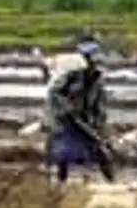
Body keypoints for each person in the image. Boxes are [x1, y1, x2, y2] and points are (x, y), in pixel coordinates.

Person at [46, 38, 114, 183]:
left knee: (101, 150)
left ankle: (112, 182)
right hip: (65, 120)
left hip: (85, 120)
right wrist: (68, 110)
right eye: (91, 62)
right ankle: (60, 184)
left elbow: (99, 107)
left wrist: (98, 125)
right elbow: (54, 93)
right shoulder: (71, 77)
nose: (93, 65)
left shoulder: (98, 82)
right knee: (63, 154)